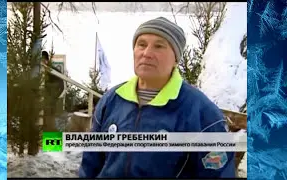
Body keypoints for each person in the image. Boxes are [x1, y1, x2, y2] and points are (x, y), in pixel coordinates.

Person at [78, 17, 235, 178]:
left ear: (176, 59)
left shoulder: (202, 113)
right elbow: (90, 164)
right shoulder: (111, 100)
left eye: (159, 46)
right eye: (142, 45)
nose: (147, 53)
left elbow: (218, 173)